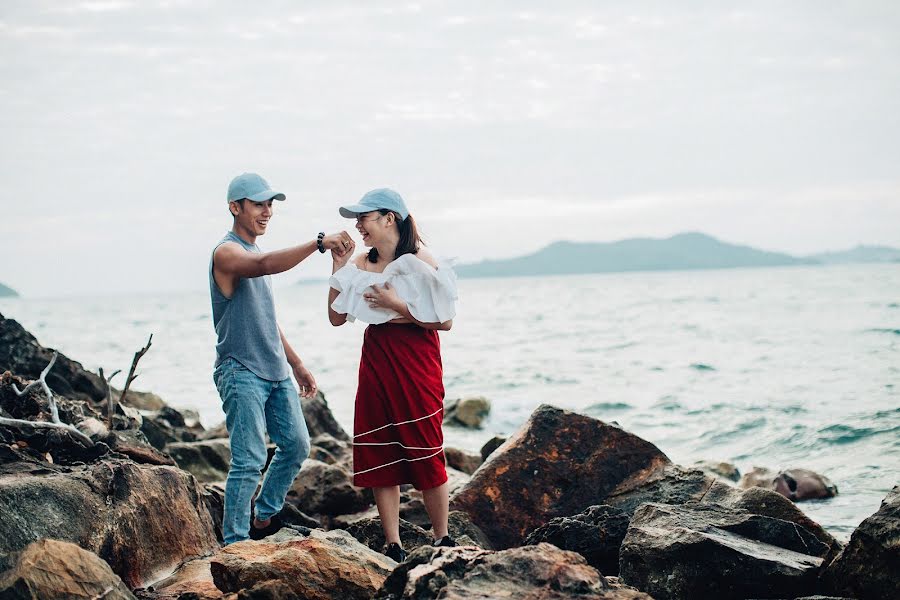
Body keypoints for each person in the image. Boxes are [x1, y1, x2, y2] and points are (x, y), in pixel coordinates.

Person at [211, 172, 352, 545]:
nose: (267, 211)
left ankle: (263, 518)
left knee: (297, 446)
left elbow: (266, 320)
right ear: (235, 207)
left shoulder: (254, 252)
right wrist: (319, 243)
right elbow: (265, 266)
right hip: (240, 370)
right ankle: (235, 544)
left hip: (275, 371)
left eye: (270, 204)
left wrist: (297, 363)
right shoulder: (227, 253)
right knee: (249, 459)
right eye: (259, 203)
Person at [327, 188, 458, 562]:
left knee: (425, 443)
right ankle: (393, 543)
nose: (357, 225)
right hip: (377, 359)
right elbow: (336, 318)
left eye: (363, 217)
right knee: (378, 449)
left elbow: (444, 320)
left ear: (389, 218)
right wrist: (337, 266)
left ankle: (443, 538)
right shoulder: (360, 262)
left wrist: (396, 305)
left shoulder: (421, 260)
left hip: (416, 360)